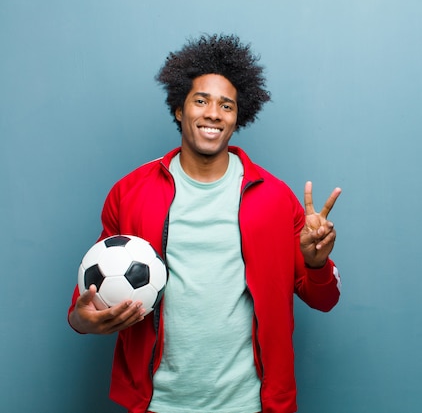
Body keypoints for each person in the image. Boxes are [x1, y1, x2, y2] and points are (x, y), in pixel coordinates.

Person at [68, 33, 342, 413]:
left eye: (226, 105)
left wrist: (316, 263)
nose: (213, 113)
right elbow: (86, 304)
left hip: (248, 402)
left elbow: (324, 299)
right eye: (201, 101)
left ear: (237, 118)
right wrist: (84, 321)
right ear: (179, 110)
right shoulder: (130, 193)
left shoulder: (275, 197)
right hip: (158, 403)